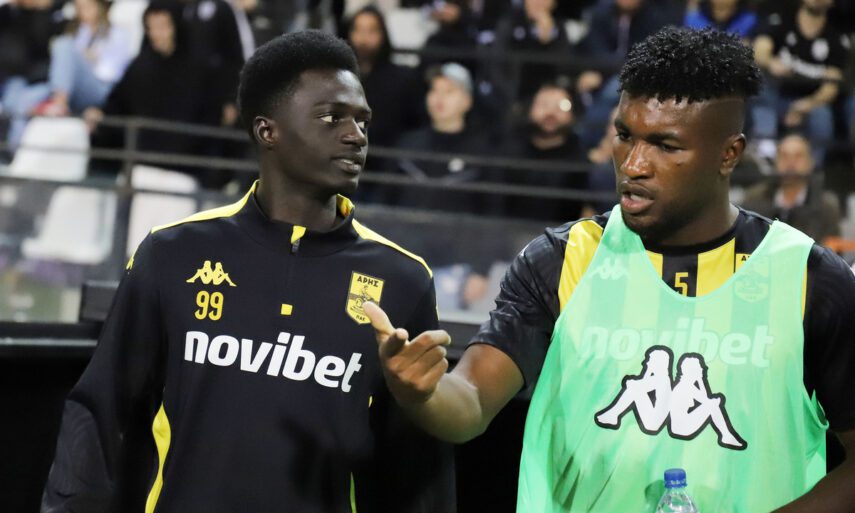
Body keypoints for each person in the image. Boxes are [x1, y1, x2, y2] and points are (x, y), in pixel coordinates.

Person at [365, 27, 855, 512]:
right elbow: (471, 401)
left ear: (729, 154)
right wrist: (423, 393)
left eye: (666, 145)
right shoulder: (560, 258)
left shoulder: (810, 279)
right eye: (624, 136)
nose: (634, 164)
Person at [41, 30, 455, 513]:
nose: (355, 135)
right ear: (267, 131)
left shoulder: (403, 279)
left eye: (362, 121)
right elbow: (98, 413)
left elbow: (420, 468)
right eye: (332, 117)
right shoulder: (173, 253)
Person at [84, 1, 221, 181]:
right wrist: (100, 113)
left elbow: (209, 122)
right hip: (139, 166)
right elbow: (118, 103)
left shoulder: (200, 70)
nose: (156, 34)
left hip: (184, 170)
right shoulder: (140, 67)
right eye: (151, 27)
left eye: (162, 27)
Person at [4, 0, 131, 148]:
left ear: (100, 7)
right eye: (79, 7)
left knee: (63, 45)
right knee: (23, 99)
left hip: (99, 89)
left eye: (88, 6)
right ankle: (13, 150)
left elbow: (112, 73)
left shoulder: (117, 34)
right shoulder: (72, 30)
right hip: (66, 86)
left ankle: (59, 103)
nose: (83, 12)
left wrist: (88, 60)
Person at [751, 0, 849, 161]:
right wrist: (770, 62)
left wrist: (805, 106)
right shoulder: (781, 20)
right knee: (762, 89)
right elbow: (759, 51)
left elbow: (831, 87)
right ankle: (765, 154)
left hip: (809, 102)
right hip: (778, 96)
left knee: (822, 114)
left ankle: (813, 169)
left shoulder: (836, 37)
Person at [502, 80, 587, 222]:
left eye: (561, 106)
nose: (551, 112)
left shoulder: (581, 161)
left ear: (572, 114)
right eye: (543, 104)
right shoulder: (507, 152)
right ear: (530, 108)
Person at [741, 133, 841, 243]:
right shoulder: (754, 199)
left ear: (810, 163)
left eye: (798, 156)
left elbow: (832, 249)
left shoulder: (825, 206)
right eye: (784, 156)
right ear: (775, 162)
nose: (790, 163)